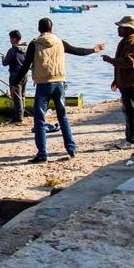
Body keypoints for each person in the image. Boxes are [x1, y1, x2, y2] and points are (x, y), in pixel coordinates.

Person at [13, 18, 104, 163]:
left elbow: (25, 67)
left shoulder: (34, 44)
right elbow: (77, 51)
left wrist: (14, 83)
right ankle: (71, 148)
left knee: (40, 119)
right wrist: (94, 50)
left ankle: (42, 154)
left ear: (39, 29)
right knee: (63, 117)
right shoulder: (60, 42)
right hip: (59, 83)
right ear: (52, 28)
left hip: (43, 84)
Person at [101, 15, 134, 150]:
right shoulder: (127, 40)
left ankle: (132, 141)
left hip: (132, 82)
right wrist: (116, 80)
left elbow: (129, 62)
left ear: (128, 28)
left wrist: (110, 60)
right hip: (126, 81)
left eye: (120, 27)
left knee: (130, 110)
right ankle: (130, 139)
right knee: (128, 110)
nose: (118, 30)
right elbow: (123, 63)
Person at [1, 30, 28, 123]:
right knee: (23, 95)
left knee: (16, 96)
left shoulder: (12, 50)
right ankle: (21, 114)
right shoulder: (27, 48)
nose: (10, 40)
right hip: (25, 74)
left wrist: (3, 58)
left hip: (15, 75)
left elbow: (5, 63)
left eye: (11, 38)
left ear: (15, 39)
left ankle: (18, 117)